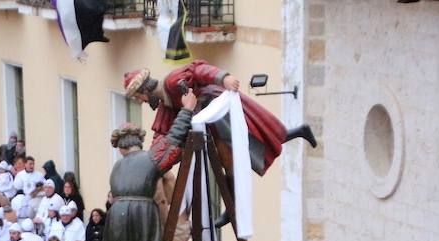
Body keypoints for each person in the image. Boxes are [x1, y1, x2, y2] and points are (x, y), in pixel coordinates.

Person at [123, 61, 316, 177]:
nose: (140, 101)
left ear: (145, 89)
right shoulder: (166, 106)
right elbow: (162, 136)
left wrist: (224, 78)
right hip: (211, 124)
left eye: (138, 97)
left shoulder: (173, 81)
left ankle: (299, 131)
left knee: (250, 141)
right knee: (230, 160)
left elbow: (199, 69)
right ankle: (300, 131)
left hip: (219, 110)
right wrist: (147, 165)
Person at [101, 95, 196, 241]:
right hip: (139, 216)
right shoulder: (149, 159)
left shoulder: (117, 168)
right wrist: (187, 110)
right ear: (139, 142)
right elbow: (174, 139)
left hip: (116, 219)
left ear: (119, 148)